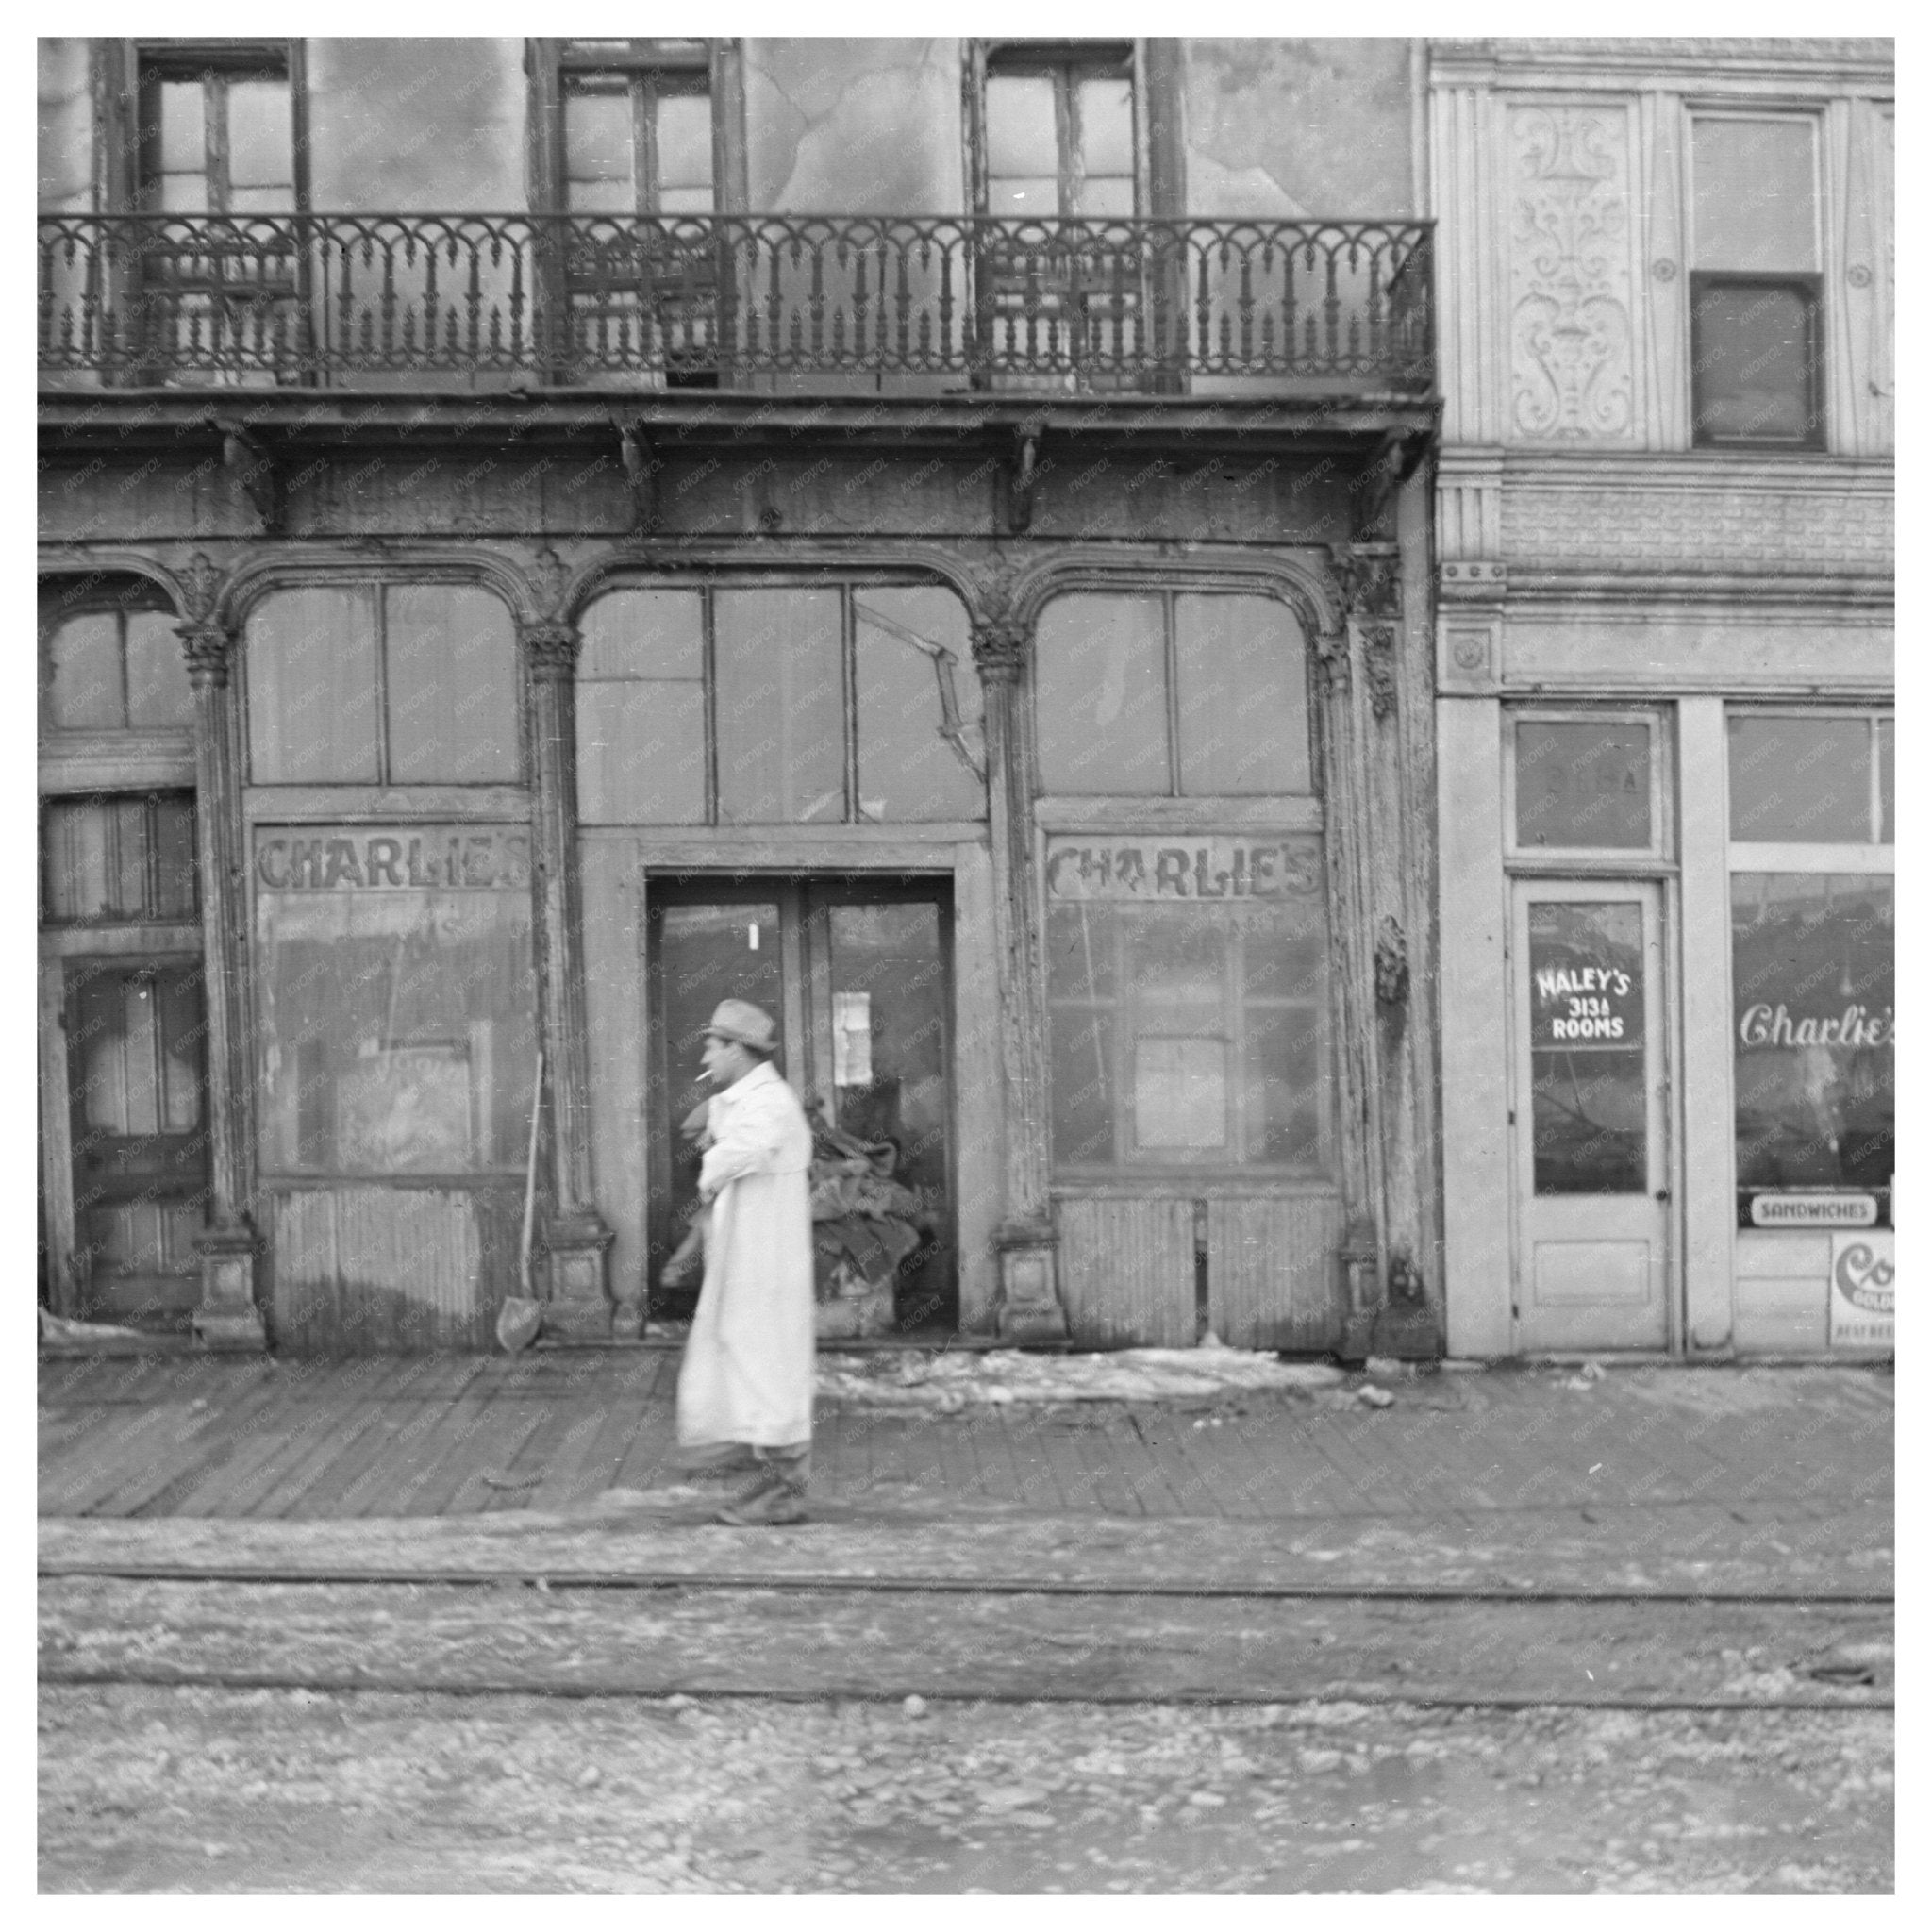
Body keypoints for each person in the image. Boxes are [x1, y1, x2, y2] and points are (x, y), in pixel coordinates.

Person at [675, 998, 816, 1526]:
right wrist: (716, 1119)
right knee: (746, 1354)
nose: (708, 1055)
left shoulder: (771, 1102)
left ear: (737, 1049)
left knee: (769, 1363)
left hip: (768, 1264)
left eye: (714, 1045)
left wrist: (715, 1137)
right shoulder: (742, 1100)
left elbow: (740, 1154)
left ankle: (784, 1488)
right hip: (746, 1258)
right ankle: (767, 1473)